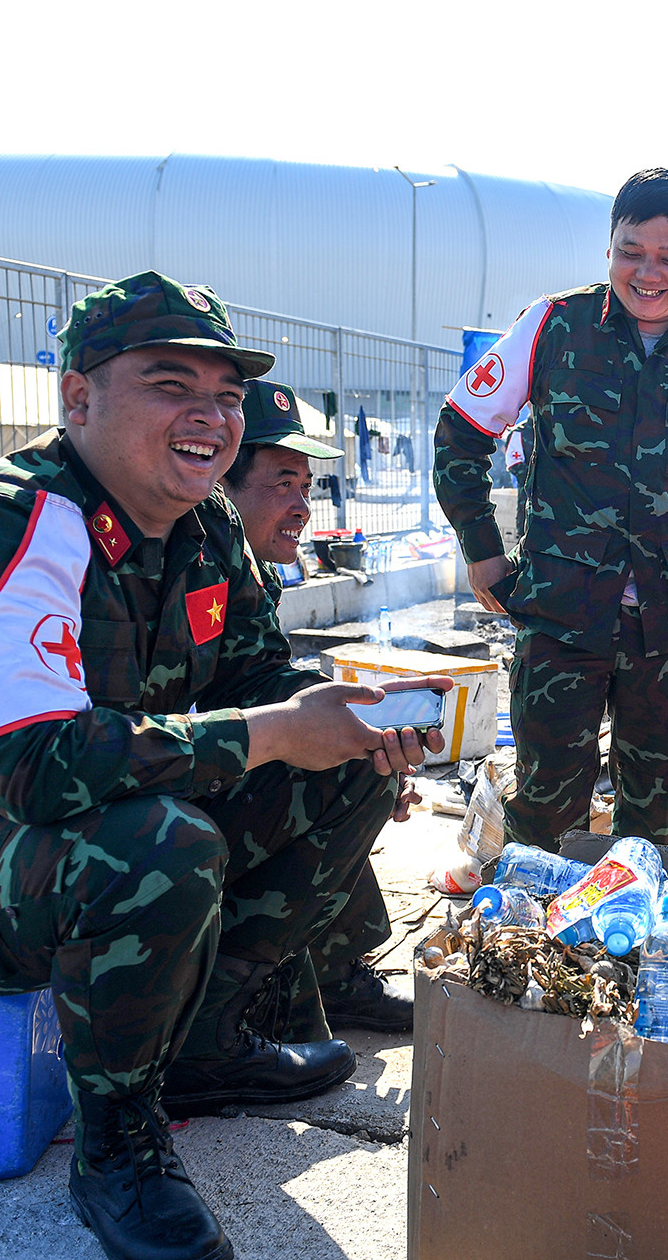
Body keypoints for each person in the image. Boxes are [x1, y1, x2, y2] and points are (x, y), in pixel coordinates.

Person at [0, 271, 449, 1260]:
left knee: (343, 763)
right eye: (170, 385)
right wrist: (277, 730)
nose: (208, 417)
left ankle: (204, 1036)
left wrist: (363, 716)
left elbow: (253, 677)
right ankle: (118, 1143)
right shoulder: (11, 520)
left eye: (227, 395)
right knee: (160, 843)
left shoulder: (205, 528)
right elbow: (30, 770)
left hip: (75, 831)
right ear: (78, 399)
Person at [434, 169, 668, 848]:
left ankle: (634, 945)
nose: (649, 273)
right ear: (608, 248)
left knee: (655, 816)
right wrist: (483, 551)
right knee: (546, 809)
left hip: (667, 628)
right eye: (631, 252)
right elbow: (462, 430)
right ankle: (536, 944)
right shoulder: (553, 325)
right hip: (561, 616)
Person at [219, 379, 415, 1037]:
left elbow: (259, 678)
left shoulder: (246, 569)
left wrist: (357, 727)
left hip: (207, 761)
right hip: (161, 782)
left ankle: (334, 973)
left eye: (306, 487)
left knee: (356, 757)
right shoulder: (187, 560)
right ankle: (239, 999)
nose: (302, 507)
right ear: (223, 483)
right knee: (343, 770)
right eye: (282, 484)